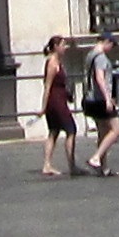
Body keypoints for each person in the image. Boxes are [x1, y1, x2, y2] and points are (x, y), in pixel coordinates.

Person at [80, 35, 119, 178]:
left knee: (103, 132)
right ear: (107, 42)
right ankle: (96, 158)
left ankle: (104, 167)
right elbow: (100, 78)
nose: (111, 48)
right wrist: (107, 99)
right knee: (117, 129)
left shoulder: (90, 56)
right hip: (99, 99)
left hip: (90, 98)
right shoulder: (100, 58)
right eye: (112, 45)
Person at [39, 35, 80, 177]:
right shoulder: (52, 63)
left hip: (59, 99)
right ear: (56, 47)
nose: (65, 48)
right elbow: (47, 85)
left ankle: (47, 164)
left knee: (54, 131)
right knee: (71, 129)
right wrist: (43, 107)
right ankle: (71, 165)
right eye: (62, 45)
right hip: (56, 102)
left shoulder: (58, 62)